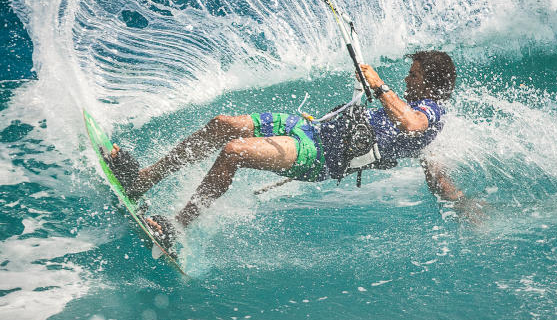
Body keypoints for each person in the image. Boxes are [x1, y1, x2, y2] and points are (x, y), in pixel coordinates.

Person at [107, 50, 476, 249]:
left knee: (234, 150)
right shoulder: (412, 107)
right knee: (223, 123)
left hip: (317, 156)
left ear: (431, 83)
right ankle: (142, 180)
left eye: (414, 75)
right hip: (309, 126)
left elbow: (411, 125)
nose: (408, 79)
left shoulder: (430, 113)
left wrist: (378, 88)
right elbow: (434, 172)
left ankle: (177, 226)